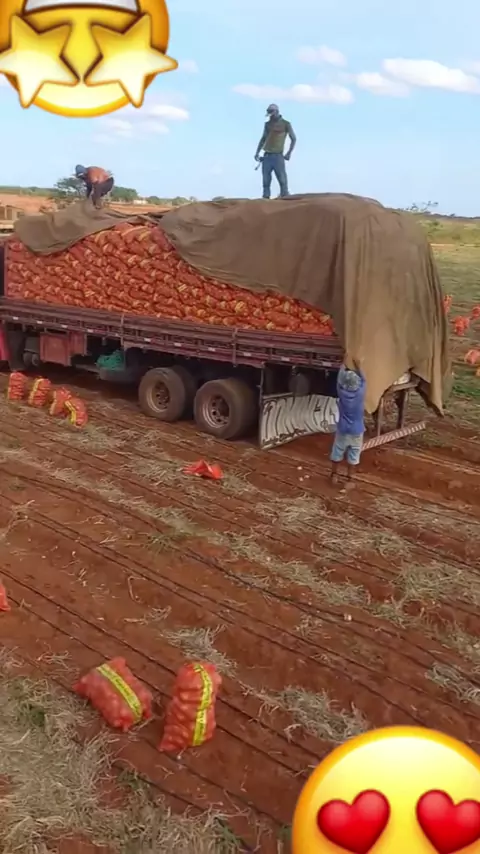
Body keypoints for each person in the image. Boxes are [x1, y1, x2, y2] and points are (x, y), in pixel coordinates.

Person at [330, 364, 366, 485]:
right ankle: (350, 479)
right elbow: (364, 380)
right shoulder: (360, 394)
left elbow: (338, 381)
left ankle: (334, 475)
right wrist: (359, 366)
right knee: (354, 455)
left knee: (337, 451)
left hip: (343, 430)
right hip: (357, 431)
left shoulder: (342, 393)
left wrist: (342, 366)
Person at [254, 104, 296, 199]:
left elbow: (293, 138)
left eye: (272, 113)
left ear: (276, 112)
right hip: (267, 156)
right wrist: (257, 152)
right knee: (266, 180)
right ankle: (266, 197)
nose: (271, 116)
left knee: (282, 179)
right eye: (269, 114)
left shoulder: (286, 124)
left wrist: (289, 153)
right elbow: (263, 138)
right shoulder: (267, 124)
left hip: (278, 156)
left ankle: (284, 195)